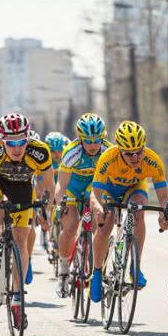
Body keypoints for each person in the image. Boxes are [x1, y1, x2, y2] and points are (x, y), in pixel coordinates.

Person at [0, 113, 55, 329]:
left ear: (28, 139)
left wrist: (46, 213)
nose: (17, 148)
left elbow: (50, 186)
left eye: (21, 142)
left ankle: (16, 298)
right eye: (11, 143)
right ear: (1, 141)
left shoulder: (40, 151)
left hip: (23, 188)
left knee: (22, 239)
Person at [89, 121, 168, 303]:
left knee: (139, 209)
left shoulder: (152, 160)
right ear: (119, 150)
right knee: (105, 226)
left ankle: (135, 265)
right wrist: (98, 210)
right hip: (111, 190)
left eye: (139, 151)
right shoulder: (107, 159)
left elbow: (164, 196)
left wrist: (164, 213)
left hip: (134, 188)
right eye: (129, 154)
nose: (135, 157)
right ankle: (96, 272)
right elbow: (94, 195)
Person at [53, 114, 110, 297]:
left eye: (97, 141)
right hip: (73, 189)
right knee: (70, 226)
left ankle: (98, 267)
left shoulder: (108, 151)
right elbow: (61, 184)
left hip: (94, 188)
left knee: (98, 227)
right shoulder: (72, 152)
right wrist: (61, 203)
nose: (93, 145)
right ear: (80, 139)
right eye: (88, 141)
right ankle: (63, 269)